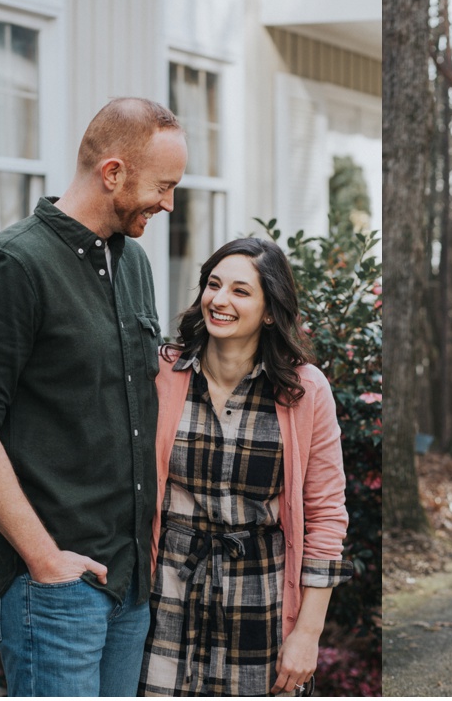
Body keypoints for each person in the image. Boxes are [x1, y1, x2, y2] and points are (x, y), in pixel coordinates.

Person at [0, 97, 188, 697]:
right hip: (53, 586)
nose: (169, 204)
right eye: (164, 186)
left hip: (128, 583)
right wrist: (44, 558)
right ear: (113, 173)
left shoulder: (135, 265)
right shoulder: (15, 265)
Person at [139, 237, 353, 696]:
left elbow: (326, 515)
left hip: (262, 595)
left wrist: (308, 633)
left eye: (240, 291)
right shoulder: (164, 373)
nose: (220, 300)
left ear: (271, 311)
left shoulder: (305, 390)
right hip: (170, 589)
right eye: (213, 285)